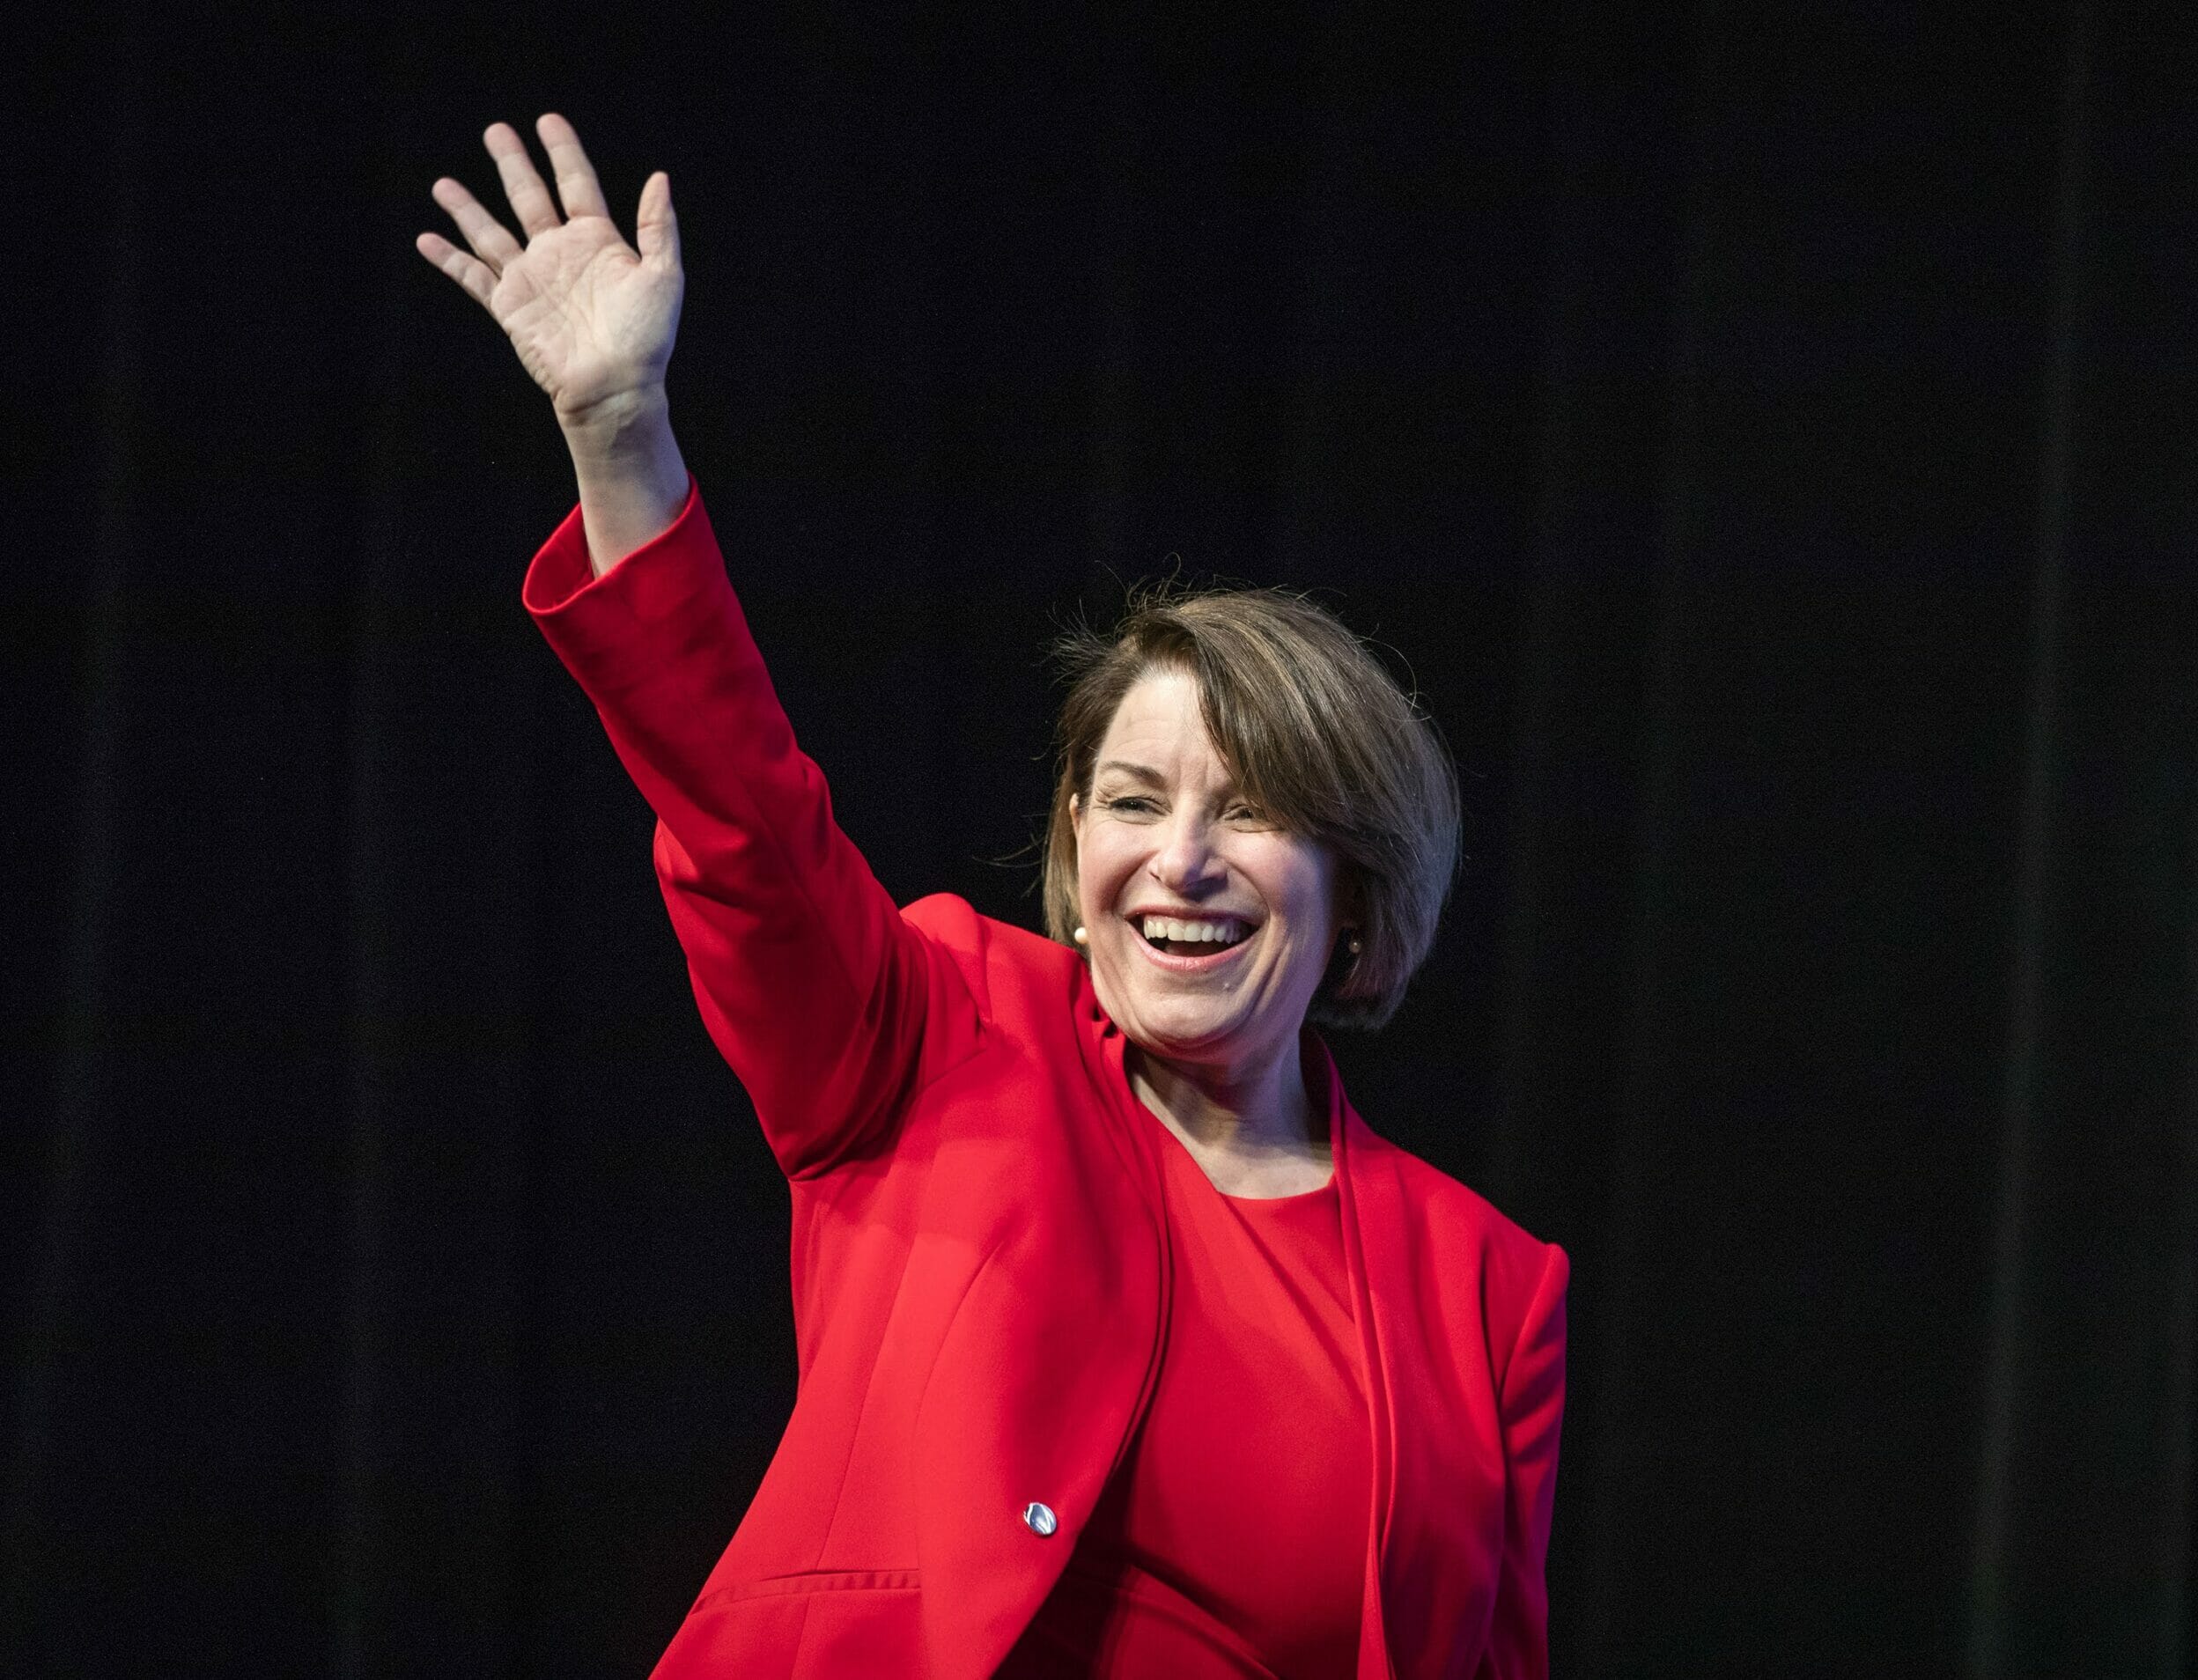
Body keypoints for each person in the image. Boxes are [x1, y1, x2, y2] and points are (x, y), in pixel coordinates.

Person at [418, 113, 1567, 1680]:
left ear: (1355, 890)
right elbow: (746, 830)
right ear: (1078, 863)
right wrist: (622, 433)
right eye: (1138, 802)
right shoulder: (940, 1034)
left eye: (1252, 814)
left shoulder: (1486, 1289)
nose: (1183, 860)